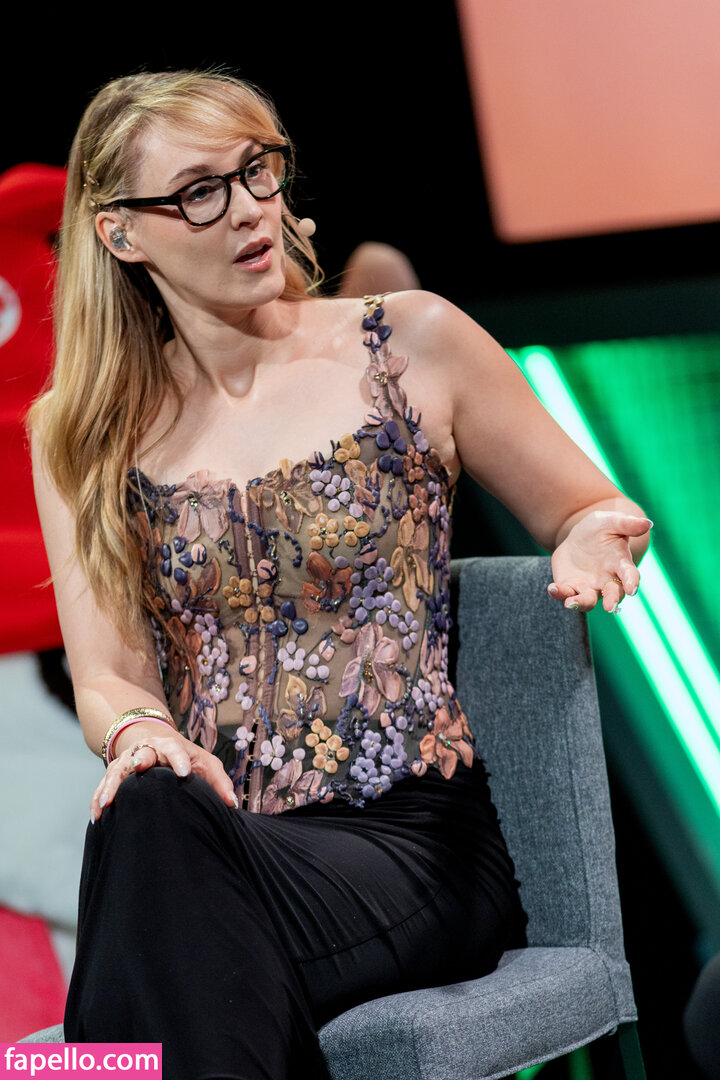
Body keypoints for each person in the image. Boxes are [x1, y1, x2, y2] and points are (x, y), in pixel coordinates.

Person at [29, 71, 651, 1080]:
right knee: (149, 807)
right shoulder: (82, 433)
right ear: (121, 233)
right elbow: (107, 674)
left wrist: (588, 538)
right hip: (232, 850)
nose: (247, 209)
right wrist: (140, 732)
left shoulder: (408, 341)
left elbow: (590, 507)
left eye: (257, 170)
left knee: (143, 981)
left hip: (414, 847)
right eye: (200, 192)